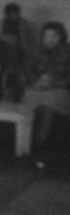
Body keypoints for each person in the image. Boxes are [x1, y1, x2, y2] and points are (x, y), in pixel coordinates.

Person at [22, 21, 70, 149]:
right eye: (47, 36)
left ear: (61, 37)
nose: (50, 39)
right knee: (29, 98)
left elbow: (67, 76)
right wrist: (35, 82)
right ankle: (24, 140)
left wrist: (50, 83)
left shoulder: (67, 52)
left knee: (48, 104)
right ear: (43, 36)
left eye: (55, 36)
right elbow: (27, 70)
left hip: (58, 89)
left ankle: (40, 141)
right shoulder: (35, 50)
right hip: (35, 87)